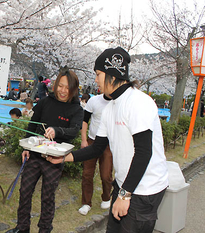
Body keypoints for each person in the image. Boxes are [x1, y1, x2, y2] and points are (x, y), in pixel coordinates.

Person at [48, 47, 168, 233]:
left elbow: (144, 152)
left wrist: (125, 195)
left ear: (112, 74)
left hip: (145, 188)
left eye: (98, 74)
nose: (95, 80)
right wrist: (64, 157)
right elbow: (97, 148)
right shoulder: (110, 107)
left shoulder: (139, 102)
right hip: (124, 184)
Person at [6, 67, 84, 233]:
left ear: (74, 89)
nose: (63, 91)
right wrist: (27, 146)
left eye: (67, 87)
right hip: (35, 154)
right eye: (60, 86)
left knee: (48, 196)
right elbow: (33, 125)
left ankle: (45, 230)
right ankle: (22, 228)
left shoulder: (76, 109)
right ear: (55, 85)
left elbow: (74, 131)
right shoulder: (45, 102)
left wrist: (57, 131)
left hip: (54, 159)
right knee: (25, 191)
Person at [78, 93, 113, 216]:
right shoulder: (94, 101)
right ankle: (86, 203)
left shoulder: (118, 102)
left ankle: (106, 197)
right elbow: (84, 120)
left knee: (106, 174)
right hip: (92, 141)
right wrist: (84, 140)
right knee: (87, 173)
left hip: (109, 143)